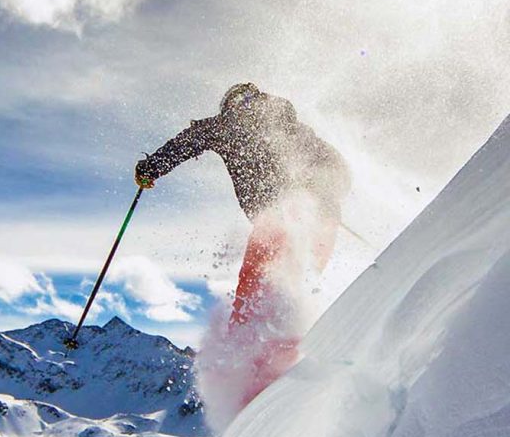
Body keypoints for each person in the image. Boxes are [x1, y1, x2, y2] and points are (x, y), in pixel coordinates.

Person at [135, 83, 350, 412]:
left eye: (249, 100)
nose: (247, 108)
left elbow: (338, 169)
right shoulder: (273, 125)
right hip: (312, 219)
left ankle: (257, 374)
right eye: (242, 102)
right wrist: (154, 167)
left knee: (262, 288)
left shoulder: (250, 125)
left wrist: (151, 169)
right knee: (289, 287)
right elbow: (335, 166)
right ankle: (281, 365)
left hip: (290, 217)